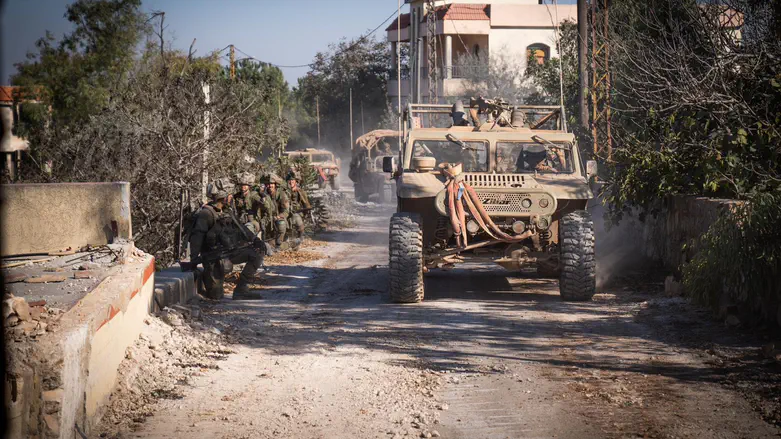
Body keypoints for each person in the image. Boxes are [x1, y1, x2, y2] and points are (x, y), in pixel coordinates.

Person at [188, 186, 263, 300]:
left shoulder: (228, 211)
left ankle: (241, 290)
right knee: (216, 296)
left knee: (256, 255)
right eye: (229, 195)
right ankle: (207, 276)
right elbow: (197, 237)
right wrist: (193, 259)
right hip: (214, 258)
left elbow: (241, 228)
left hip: (230, 252)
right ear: (222, 197)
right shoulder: (207, 214)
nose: (231, 197)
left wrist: (255, 239)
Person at [233, 172, 262, 236]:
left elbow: (262, 203)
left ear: (249, 186)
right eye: (242, 185)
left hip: (252, 222)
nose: (243, 187)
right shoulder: (237, 196)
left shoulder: (253, 195)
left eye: (245, 185)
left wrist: (262, 196)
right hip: (240, 221)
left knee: (248, 229)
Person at [267, 173, 291, 248]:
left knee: (281, 223)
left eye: (272, 184)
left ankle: (281, 244)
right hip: (267, 219)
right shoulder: (264, 194)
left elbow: (286, 211)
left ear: (275, 185)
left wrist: (279, 216)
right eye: (268, 184)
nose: (270, 185)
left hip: (277, 218)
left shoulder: (281, 194)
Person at [286, 171, 311, 239]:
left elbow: (306, 203)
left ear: (295, 181)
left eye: (293, 180)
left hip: (297, 212)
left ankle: (300, 237)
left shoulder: (300, 191)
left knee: (297, 220)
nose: (291, 182)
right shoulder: (284, 191)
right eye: (290, 180)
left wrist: (306, 212)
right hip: (285, 212)